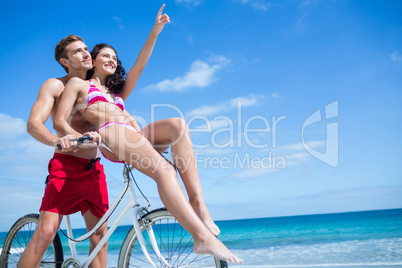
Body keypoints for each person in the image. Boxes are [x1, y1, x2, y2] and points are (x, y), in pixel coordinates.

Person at [55, 5, 243, 264]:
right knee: (165, 171)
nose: (112, 60)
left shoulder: (117, 94)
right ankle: (201, 238)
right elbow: (59, 120)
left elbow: (139, 66)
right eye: (106, 56)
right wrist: (74, 137)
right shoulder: (80, 85)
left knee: (178, 125)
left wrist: (155, 31)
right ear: (94, 60)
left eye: (114, 57)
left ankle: (197, 204)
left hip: (133, 136)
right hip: (111, 136)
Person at [20, 33, 107, 268]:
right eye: (78, 51)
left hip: (94, 169)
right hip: (66, 167)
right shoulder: (55, 85)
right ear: (64, 61)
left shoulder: (98, 86)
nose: (86, 53)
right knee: (46, 232)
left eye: (86, 48)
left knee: (100, 238)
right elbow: (34, 124)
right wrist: (55, 141)